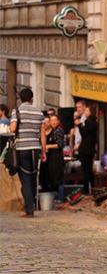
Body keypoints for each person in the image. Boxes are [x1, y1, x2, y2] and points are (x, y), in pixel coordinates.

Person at [9, 88, 47, 217]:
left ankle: (29, 210)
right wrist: (43, 151)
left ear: (20, 99)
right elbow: (43, 134)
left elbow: (13, 128)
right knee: (33, 177)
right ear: (32, 99)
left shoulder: (17, 111)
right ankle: (32, 204)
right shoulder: (39, 112)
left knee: (25, 179)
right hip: (35, 148)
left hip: (22, 148)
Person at [44, 114, 66, 203]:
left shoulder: (58, 131)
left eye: (55, 120)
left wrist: (48, 146)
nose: (53, 122)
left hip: (57, 157)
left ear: (58, 121)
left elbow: (60, 144)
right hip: (50, 157)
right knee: (51, 177)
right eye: (51, 120)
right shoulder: (50, 131)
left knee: (58, 178)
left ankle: (60, 198)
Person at [76, 106, 98, 195]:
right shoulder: (95, 122)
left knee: (85, 170)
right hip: (91, 149)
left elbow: (84, 133)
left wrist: (79, 125)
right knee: (89, 169)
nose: (85, 112)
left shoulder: (88, 122)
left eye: (86, 110)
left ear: (91, 112)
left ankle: (86, 190)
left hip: (85, 149)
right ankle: (92, 188)